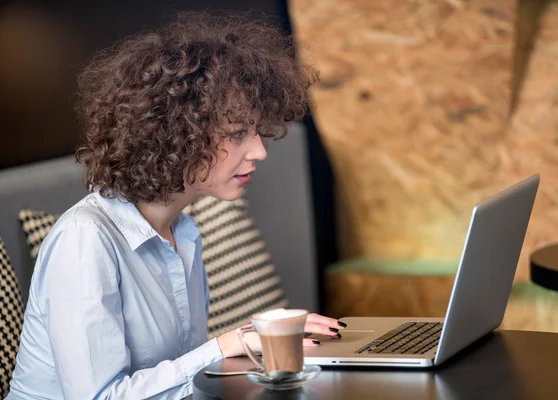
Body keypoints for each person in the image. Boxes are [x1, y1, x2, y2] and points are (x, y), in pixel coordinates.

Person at [8, 11, 345, 399]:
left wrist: (266, 349)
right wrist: (225, 345)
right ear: (176, 134)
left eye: (256, 131)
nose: (259, 151)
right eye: (237, 134)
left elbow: (177, 385)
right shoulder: (85, 240)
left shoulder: (182, 232)